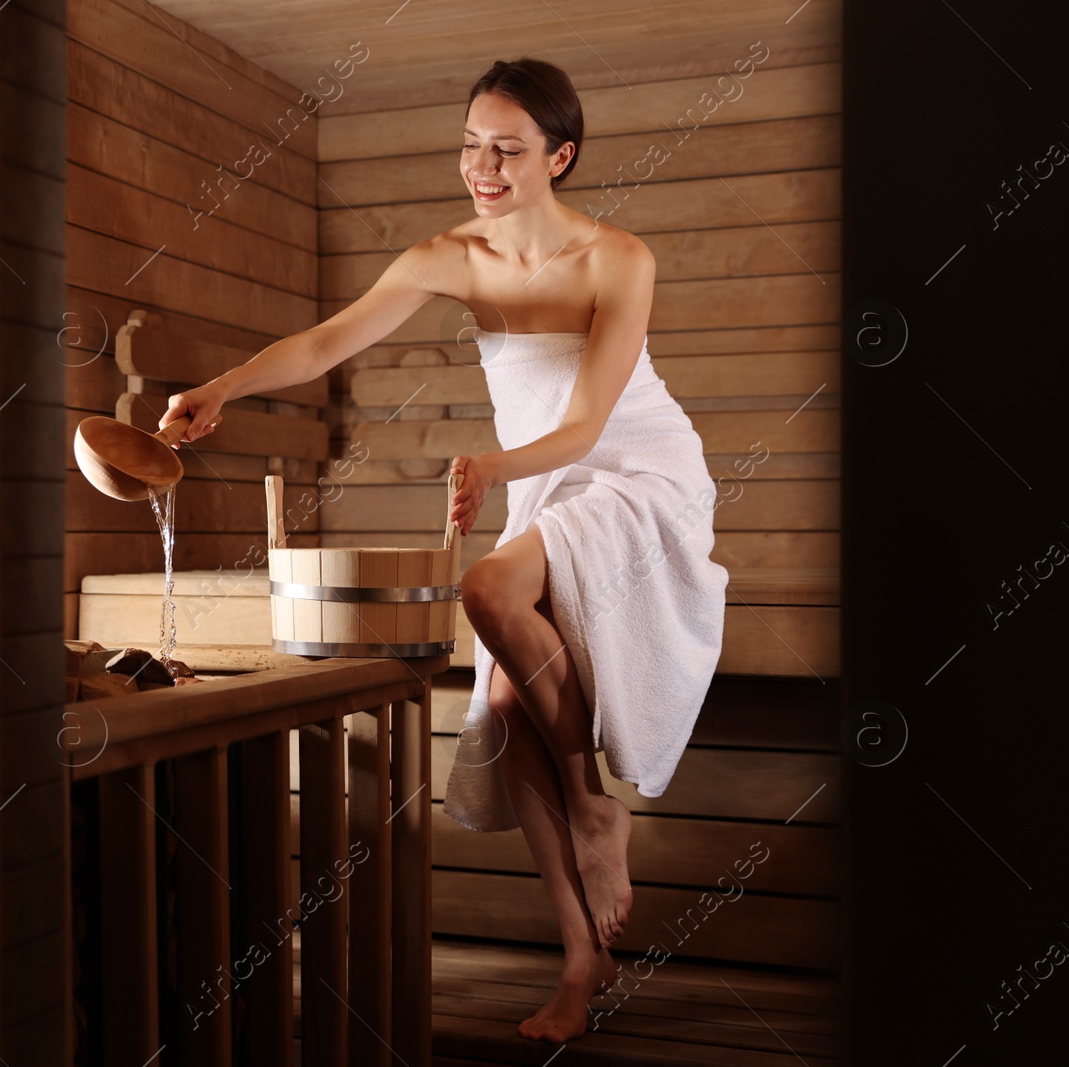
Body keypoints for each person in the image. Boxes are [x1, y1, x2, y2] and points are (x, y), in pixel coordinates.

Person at [157, 57, 727, 1043]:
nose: (483, 168)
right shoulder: (447, 255)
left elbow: (591, 422)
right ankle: (582, 966)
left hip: (636, 475)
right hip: (540, 481)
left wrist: (492, 465)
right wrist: (221, 388)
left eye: (506, 150)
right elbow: (323, 343)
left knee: (484, 587)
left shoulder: (616, 260)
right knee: (506, 710)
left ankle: (596, 809)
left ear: (560, 156)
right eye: (470, 146)